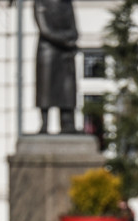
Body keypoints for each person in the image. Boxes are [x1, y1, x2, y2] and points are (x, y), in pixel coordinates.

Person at [34, 0, 78, 134]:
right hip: (48, 52)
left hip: (65, 54)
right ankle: (44, 123)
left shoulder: (66, 4)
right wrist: (65, 41)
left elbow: (74, 31)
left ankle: (67, 123)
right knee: (46, 88)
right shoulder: (41, 3)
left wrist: (68, 40)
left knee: (67, 88)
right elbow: (45, 30)